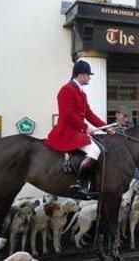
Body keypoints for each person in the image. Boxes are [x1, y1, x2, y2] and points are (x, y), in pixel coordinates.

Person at [45, 60, 114, 200]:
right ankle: (80, 185)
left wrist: (105, 127)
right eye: (88, 75)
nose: (89, 78)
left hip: (76, 130)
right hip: (67, 131)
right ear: (81, 75)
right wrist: (85, 127)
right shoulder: (66, 90)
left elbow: (89, 113)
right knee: (95, 150)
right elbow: (67, 115)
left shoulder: (81, 93)